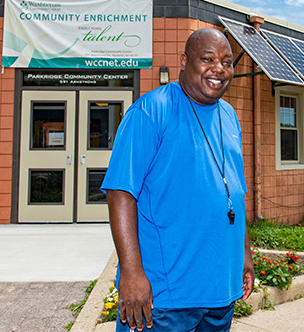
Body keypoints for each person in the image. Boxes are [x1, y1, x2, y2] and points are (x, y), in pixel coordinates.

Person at [101, 28, 255, 332]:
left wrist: (244, 253)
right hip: (164, 298)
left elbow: (233, 192)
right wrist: (131, 274)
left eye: (226, 62)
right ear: (184, 61)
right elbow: (120, 193)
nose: (219, 69)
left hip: (219, 292)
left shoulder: (229, 116)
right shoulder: (151, 110)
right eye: (207, 59)